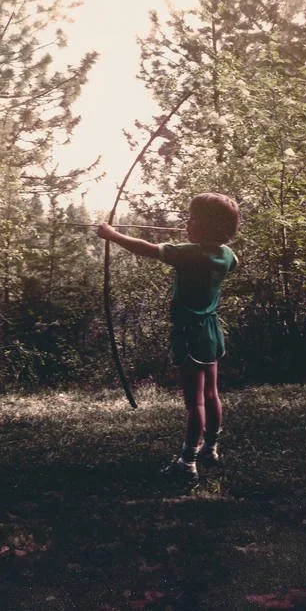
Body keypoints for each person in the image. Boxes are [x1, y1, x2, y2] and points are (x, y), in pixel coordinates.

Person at [98, 192, 240, 485]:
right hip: (212, 331)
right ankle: (211, 449)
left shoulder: (188, 253)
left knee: (195, 402)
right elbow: (227, 260)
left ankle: (187, 462)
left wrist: (112, 235)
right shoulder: (227, 256)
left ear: (203, 225)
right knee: (212, 394)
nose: (186, 223)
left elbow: (145, 248)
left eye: (192, 219)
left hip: (189, 333)